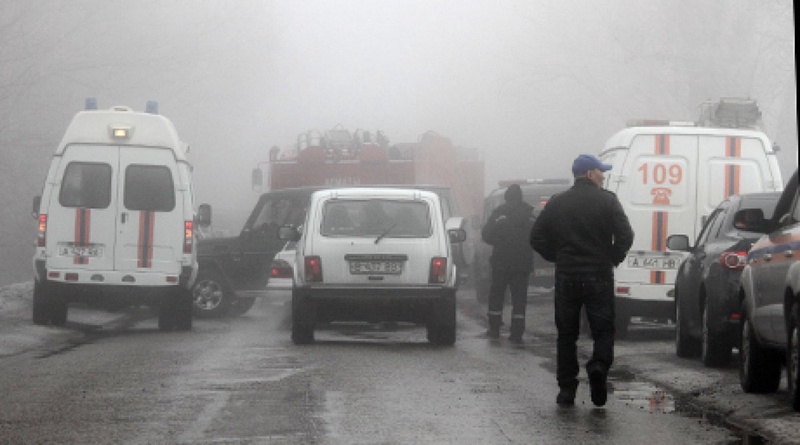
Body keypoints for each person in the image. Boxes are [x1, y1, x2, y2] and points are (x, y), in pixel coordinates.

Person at [530, 154, 633, 407]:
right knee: (603, 330)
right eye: (601, 171)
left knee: (566, 334)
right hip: (598, 275)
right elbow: (625, 235)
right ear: (589, 174)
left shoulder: (557, 202)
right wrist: (612, 257)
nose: (603, 176)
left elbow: (536, 237)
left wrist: (557, 257)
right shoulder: (608, 201)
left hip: (567, 277)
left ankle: (567, 389)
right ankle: (598, 366)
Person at [481, 183, 536, 343]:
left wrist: (498, 241)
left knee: (497, 295)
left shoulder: (499, 214)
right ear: (521, 197)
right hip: (522, 264)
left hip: (501, 263)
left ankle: (494, 328)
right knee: (519, 298)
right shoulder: (530, 215)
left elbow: (486, 235)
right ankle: (517, 332)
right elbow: (539, 235)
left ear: (506, 197)